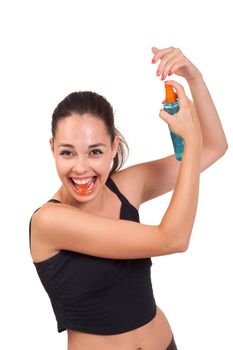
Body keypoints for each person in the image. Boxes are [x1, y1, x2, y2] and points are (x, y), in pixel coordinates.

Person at [29, 46, 227, 350]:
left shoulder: (127, 187)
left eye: (95, 151)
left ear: (113, 146)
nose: (81, 167)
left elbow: (214, 147)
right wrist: (190, 139)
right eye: (67, 152)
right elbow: (173, 238)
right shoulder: (49, 221)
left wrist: (195, 79)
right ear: (52, 148)